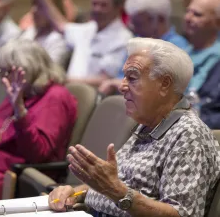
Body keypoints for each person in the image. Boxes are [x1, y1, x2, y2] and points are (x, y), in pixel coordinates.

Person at [48, 38, 220, 217]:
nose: (122, 86)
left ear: (164, 84)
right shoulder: (149, 125)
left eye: (132, 78)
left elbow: (183, 214)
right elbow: (117, 185)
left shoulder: (189, 135)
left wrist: (116, 191)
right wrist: (76, 193)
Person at [0, 39, 77, 201]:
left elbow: (38, 153)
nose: (2, 79)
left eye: (7, 72)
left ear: (28, 70)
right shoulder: (22, 91)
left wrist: (20, 111)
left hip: (11, 175)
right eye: (1, 72)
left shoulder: (56, 97)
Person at [34, 0, 133, 87]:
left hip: (95, 99)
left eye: (103, 5)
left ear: (118, 8)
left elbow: (104, 79)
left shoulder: (123, 38)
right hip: (70, 90)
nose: (97, 9)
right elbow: (60, 24)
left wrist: (62, 79)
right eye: (94, 4)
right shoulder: (88, 28)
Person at [98, 0, 188, 95]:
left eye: (139, 24)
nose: (134, 29)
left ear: (160, 19)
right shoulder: (137, 42)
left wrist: (122, 84)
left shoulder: (178, 49)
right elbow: (121, 76)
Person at [184, 0, 220, 92]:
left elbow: (194, 93)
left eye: (197, 14)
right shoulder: (187, 49)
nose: (188, 18)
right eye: (187, 11)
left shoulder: (216, 57)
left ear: (217, 22)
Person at [20, 0, 70, 69]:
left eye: (40, 6)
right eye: (33, 5)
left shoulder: (59, 39)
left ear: (54, 11)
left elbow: (52, 70)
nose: (34, 10)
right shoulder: (28, 32)